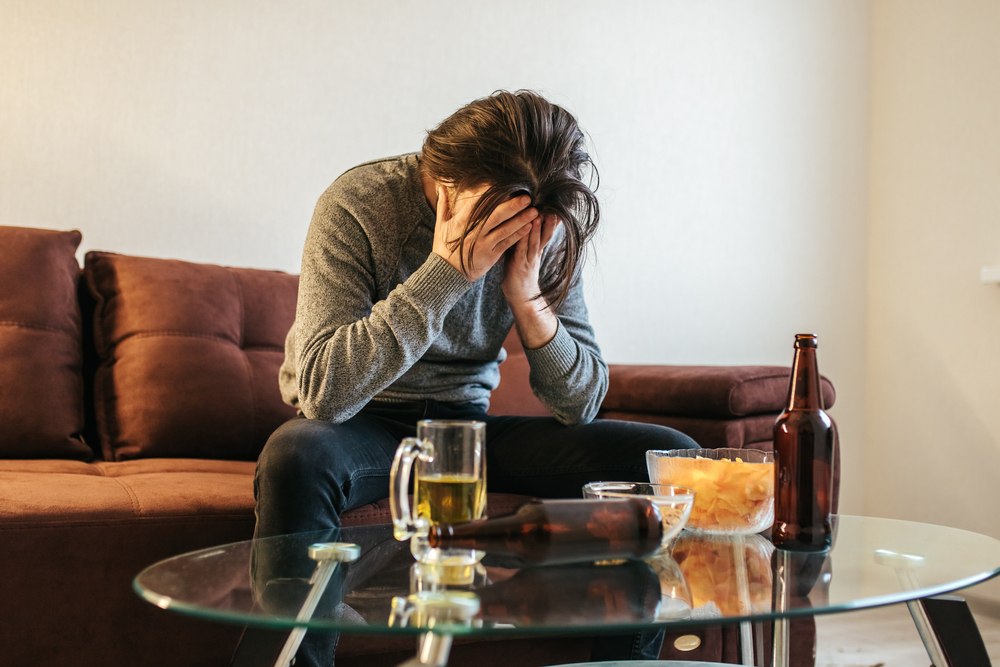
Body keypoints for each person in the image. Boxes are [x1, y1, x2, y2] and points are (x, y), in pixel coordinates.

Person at [254, 90, 699, 665]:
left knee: (668, 461)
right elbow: (322, 392)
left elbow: (582, 403)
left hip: (465, 431)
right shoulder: (359, 204)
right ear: (443, 185)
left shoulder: (542, 224)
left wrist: (532, 303)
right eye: (500, 216)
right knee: (295, 454)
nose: (513, 227)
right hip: (360, 426)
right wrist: (447, 273)